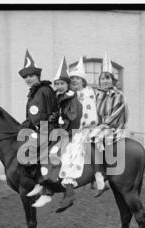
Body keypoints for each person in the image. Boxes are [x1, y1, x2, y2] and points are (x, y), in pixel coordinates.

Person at [28, 56, 83, 208]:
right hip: (60, 132)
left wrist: (59, 120)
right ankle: (41, 183)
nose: (59, 86)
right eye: (57, 83)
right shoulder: (59, 97)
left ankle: (49, 192)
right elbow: (56, 113)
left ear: (68, 85)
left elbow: (71, 117)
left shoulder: (72, 99)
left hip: (70, 133)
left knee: (54, 153)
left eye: (62, 83)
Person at [54, 57, 100, 212]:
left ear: (83, 81)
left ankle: (69, 189)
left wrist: (74, 129)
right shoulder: (71, 95)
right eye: (72, 78)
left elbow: (88, 115)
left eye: (77, 78)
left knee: (71, 151)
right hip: (71, 129)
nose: (74, 80)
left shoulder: (87, 94)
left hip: (85, 128)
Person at [90, 52, 129, 197]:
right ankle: (93, 173)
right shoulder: (98, 95)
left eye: (108, 78)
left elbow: (118, 112)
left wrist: (105, 124)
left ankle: (103, 173)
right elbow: (95, 112)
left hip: (114, 126)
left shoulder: (118, 95)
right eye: (102, 78)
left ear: (113, 81)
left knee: (97, 138)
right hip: (101, 126)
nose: (105, 81)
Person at [18, 49, 58, 182]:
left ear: (37, 76)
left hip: (49, 128)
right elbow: (30, 117)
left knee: (33, 150)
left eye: (31, 76)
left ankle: (44, 181)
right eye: (25, 77)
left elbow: (54, 109)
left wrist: (46, 126)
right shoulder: (32, 94)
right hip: (37, 130)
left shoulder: (45, 90)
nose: (28, 79)